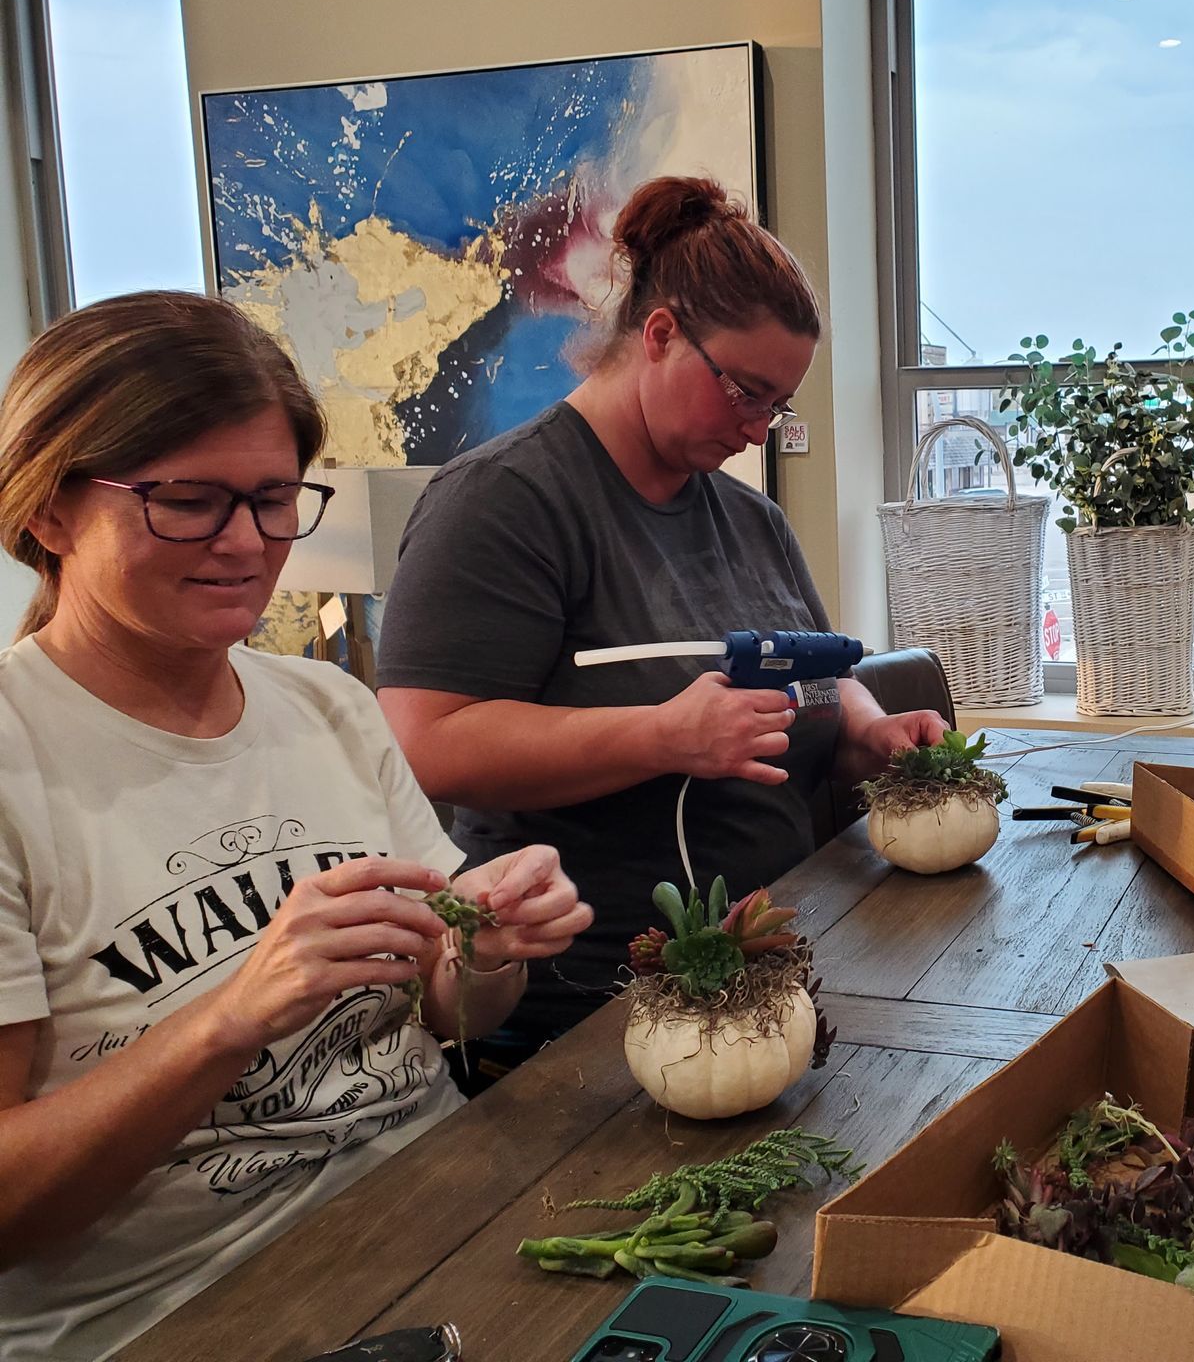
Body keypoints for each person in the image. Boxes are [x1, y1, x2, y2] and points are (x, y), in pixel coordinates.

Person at [0, 292, 593, 1361]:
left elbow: (450, 1011)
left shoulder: (329, 707)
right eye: (186, 501)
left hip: (451, 1221)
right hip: (188, 1309)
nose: (246, 544)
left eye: (275, 499)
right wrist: (234, 1017)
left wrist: (491, 948)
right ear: (48, 510)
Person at [376, 175, 945, 1053]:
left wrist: (865, 730)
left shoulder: (751, 520)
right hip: (592, 1014)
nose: (760, 429)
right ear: (660, 334)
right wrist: (662, 737)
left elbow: (815, 669)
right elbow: (428, 742)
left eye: (778, 404)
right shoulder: (503, 503)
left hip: (768, 981)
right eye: (745, 391)